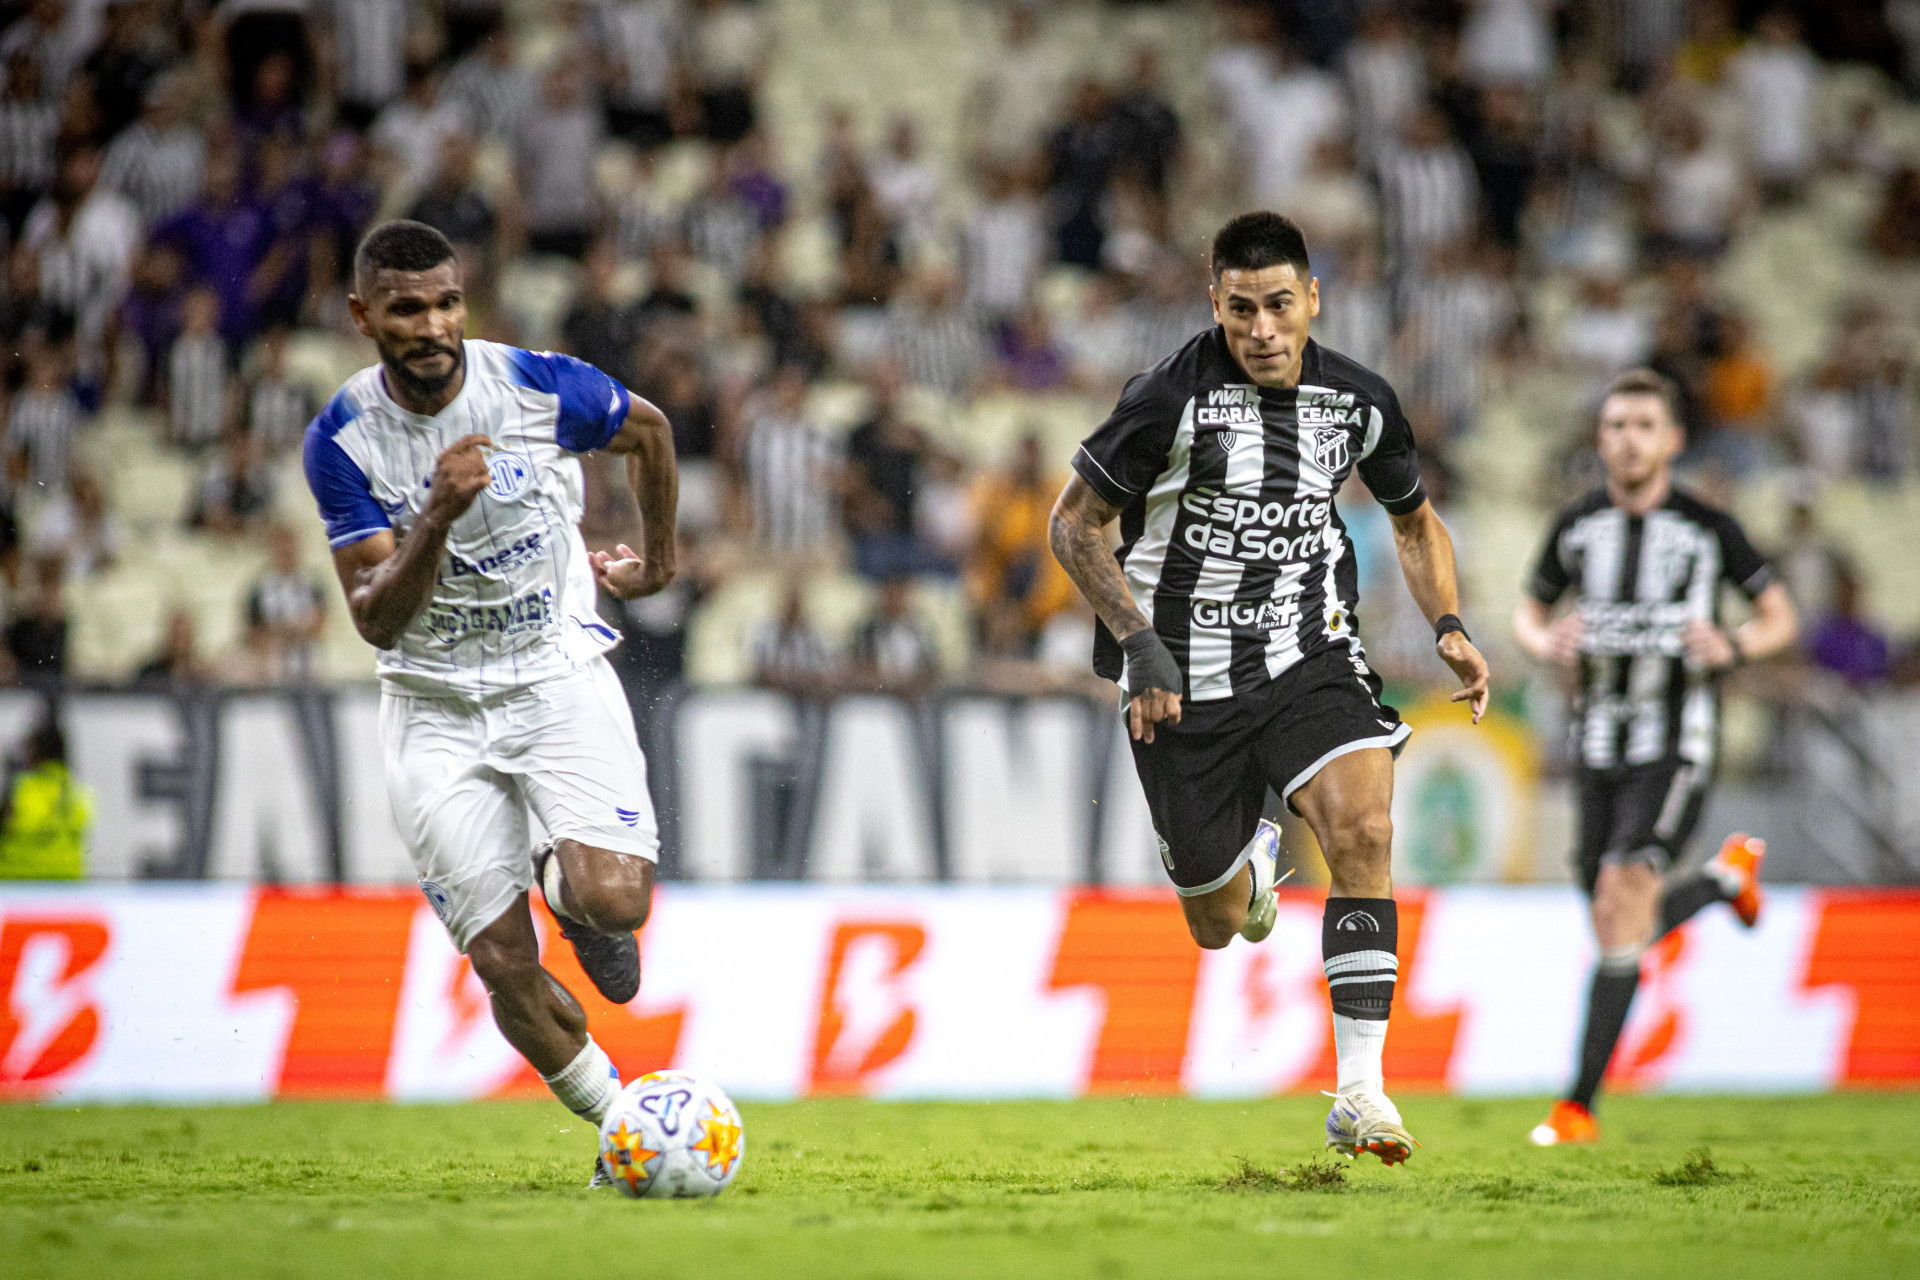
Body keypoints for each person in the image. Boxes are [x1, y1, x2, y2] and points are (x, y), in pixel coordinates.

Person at [1048, 212, 1490, 1165]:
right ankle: (1244, 864)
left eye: (1279, 305)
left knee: (1365, 831)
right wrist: (1137, 643)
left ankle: (1362, 1090)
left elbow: (1414, 524)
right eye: (1240, 308)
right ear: (1215, 303)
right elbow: (1074, 527)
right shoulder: (1166, 399)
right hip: (1181, 684)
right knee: (1214, 927)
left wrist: (1448, 625)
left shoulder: (1358, 403)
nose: (1261, 328)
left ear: (1313, 299)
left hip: (1309, 658)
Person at [301, 221, 679, 1185]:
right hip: (432, 706)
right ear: (362, 317)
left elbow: (651, 432)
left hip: (552, 671)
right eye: (406, 309)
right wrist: (434, 514)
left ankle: (571, 883)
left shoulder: (534, 387)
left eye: (446, 304)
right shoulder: (341, 441)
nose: (432, 327)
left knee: (614, 899)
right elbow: (375, 621)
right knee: (504, 962)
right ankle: (621, 1126)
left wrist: (660, 563)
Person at [1513, 368, 1798, 1147]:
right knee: (1612, 914)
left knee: (1620, 894)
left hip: (1675, 744)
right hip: (1596, 744)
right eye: (1614, 426)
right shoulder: (1577, 526)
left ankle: (1577, 1107)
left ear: (1672, 440)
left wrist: (1733, 642)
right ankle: (1720, 880)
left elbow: (1779, 616)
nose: (1627, 439)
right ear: (1600, 438)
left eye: (1643, 425)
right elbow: (1529, 609)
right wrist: (1546, 640)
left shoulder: (1710, 526)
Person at [0, 714, 92, 880]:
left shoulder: (21, 788)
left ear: (35, 752)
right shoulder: (80, 791)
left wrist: (9, 781)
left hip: (18, 884)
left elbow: (6, 825)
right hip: (68, 884)